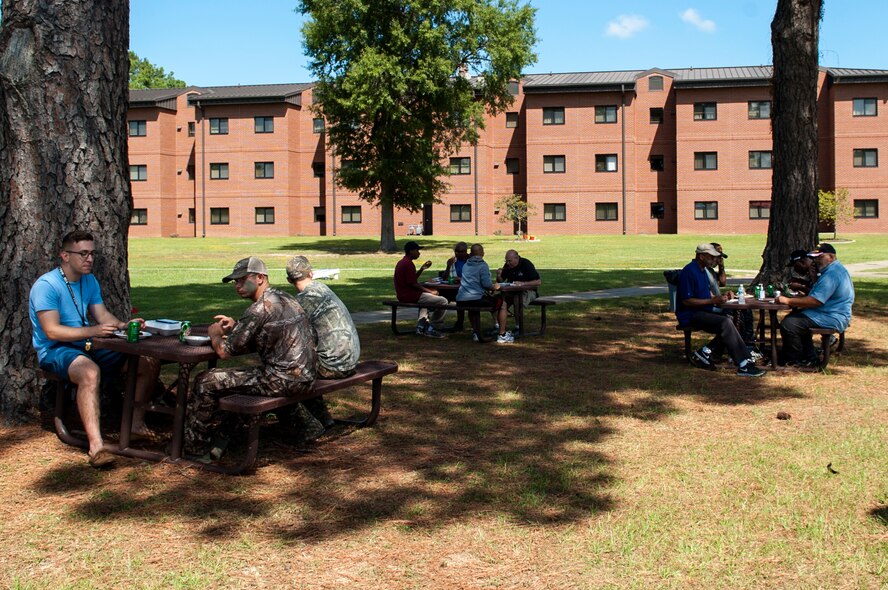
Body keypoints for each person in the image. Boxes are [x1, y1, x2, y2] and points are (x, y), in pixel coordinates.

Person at [29, 230, 160, 467]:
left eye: (92, 253)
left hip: (87, 344)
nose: (89, 259)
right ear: (65, 256)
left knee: (145, 361)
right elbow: (52, 331)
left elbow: (101, 316)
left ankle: (136, 425)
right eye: (83, 253)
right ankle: (96, 446)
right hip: (56, 349)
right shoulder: (46, 285)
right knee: (89, 372)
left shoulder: (89, 280)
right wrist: (94, 331)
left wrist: (122, 325)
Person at [184, 257, 318, 461]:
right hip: (306, 375)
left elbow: (225, 352)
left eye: (241, 280)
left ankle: (194, 449)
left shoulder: (259, 308)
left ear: (260, 278)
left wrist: (214, 334)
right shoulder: (284, 298)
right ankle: (223, 438)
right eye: (235, 282)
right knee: (241, 379)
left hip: (284, 379)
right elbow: (264, 334)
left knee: (206, 380)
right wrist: (238, 325)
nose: (237, 286)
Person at [286, 255, 361, 427]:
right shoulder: (323, 288)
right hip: (351, 361)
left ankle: (306, 424)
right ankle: (323, 417)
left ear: (289, 280)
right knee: (304, 363)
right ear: (311, 274)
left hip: (333, 367)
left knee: (286, 370)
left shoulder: (300, 302)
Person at [676, 243, 765, 377]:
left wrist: (720, 298)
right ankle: (743, 364)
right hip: (691, 314)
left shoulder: (702, 271)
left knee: (735, 319)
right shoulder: (689, 271)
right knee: (725, 322)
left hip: (704, 309)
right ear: (701, 256)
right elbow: (687, 301)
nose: (715, 260)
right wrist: (712, 301)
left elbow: (704, 295)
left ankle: (706, 351)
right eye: (711, 257)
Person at [776, 243, 854, 367]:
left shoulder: (831, 274)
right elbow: (818, 295)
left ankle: (795, 359)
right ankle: (809, 356)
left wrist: (788, 301)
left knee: (789, 324)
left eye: (819, 257)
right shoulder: (832, 270)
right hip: (829, 312)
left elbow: (815, 301)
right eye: (815, 257)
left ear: (831, 257)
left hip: (833, 316)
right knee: (796, 317)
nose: (816, 260)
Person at [455, 244, 510, 343]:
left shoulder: (466, 265)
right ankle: (502, 334)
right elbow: (486, 284)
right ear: (483, 254)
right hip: (476, 298)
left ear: (470, 254)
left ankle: (476, 333)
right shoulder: (482, 265)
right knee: (502, 304)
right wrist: (495, 286)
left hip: (461, 299)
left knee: (472, 309)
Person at [393, 241, 448, 338]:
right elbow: (413, 284)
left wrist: (422, 269)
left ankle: (421, 326)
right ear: (411, 251)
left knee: (426, 303)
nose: (419, 253)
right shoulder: (408, 264)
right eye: (417, 250)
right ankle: (433, 327)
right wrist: (430, 291)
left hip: (403, 294)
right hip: (409, 295)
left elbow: (412, 279)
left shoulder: (403, 262)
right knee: (443, 301)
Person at [496, 249, 541, 333]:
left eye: (510, 261)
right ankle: (499, 327)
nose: (508, 263)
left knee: (517, 299)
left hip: (529, 291)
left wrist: (523, 283)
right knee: (500, 300)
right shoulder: (508, 265)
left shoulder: (526, 264)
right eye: (506, 261)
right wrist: (498, 275)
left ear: (516, 258)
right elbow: (500, 281)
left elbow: (538, 282)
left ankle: (518, 326)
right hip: (512, 291)